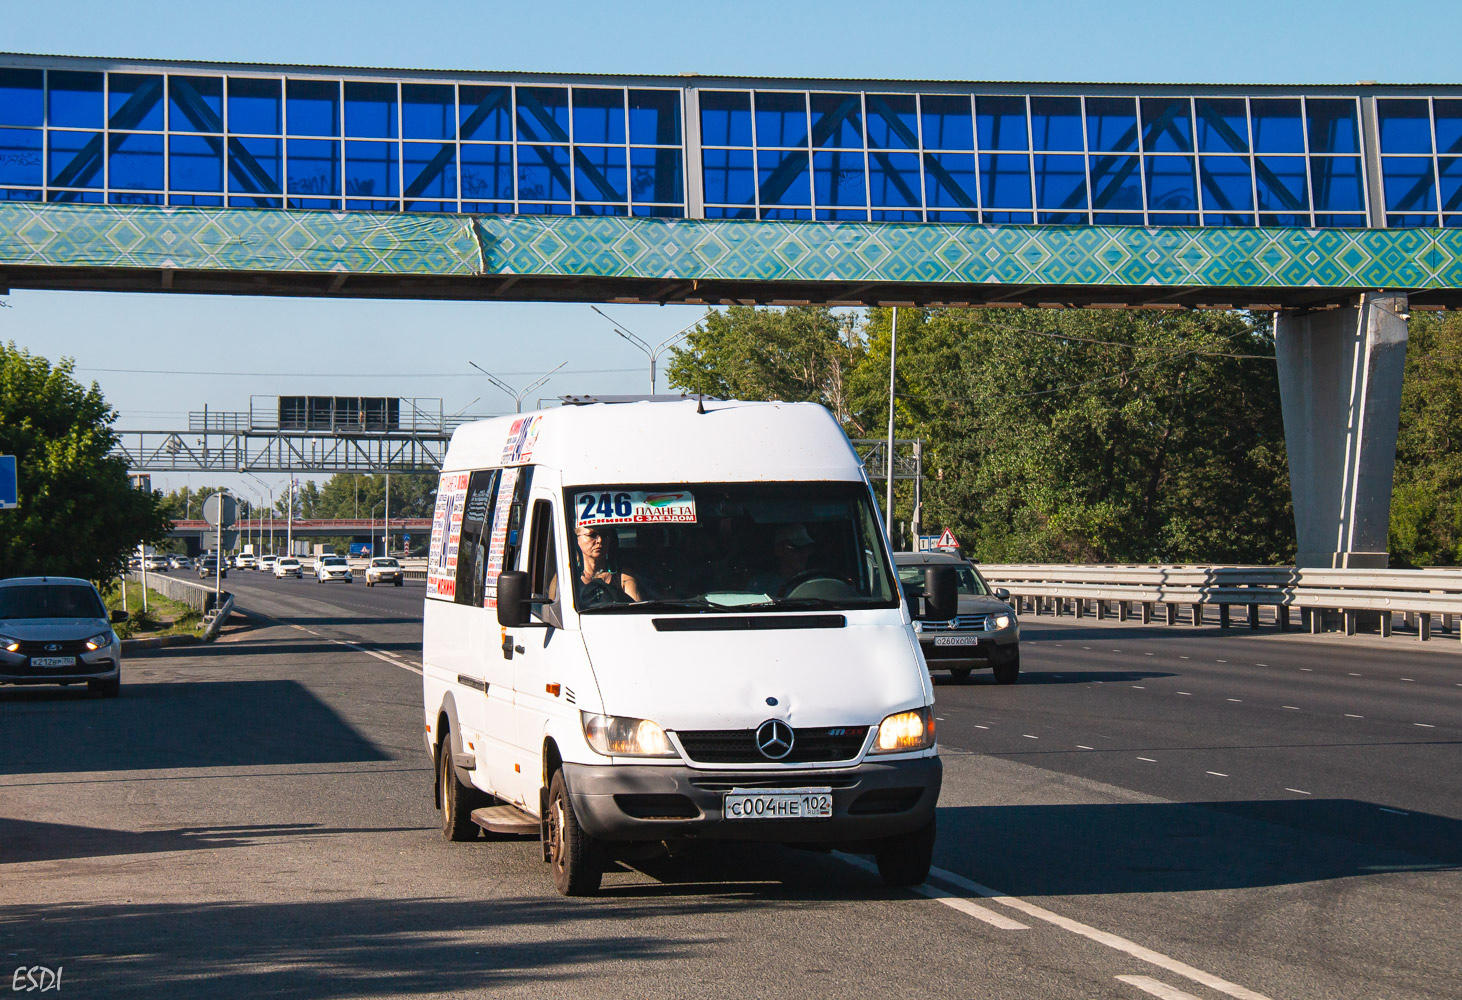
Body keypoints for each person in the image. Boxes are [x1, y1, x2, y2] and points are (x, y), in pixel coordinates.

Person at [575, 524, 642, 602]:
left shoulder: (623, 575)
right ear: (577, 539)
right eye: (592, 535)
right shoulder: (569, 575)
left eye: (605, 535)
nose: (600, 540)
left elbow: (635, 610)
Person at [748, 522, 818, 595]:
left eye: (807, 549)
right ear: (779, 550)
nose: (804, 554)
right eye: (797, 548)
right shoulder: (761, 584)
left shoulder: (816, 583)